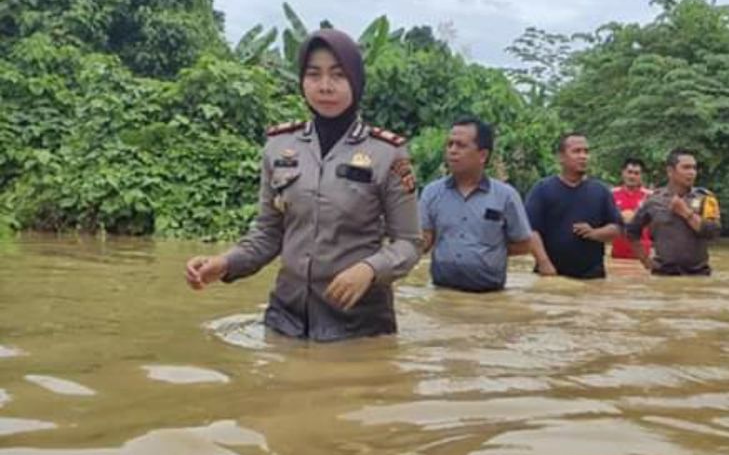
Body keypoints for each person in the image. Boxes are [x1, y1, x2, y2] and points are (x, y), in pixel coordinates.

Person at [184, 28, 421, 341]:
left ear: (356, 80)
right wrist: (225, 263)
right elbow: (269, 233)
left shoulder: (387, 152)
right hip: (286, 316)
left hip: (359, 323)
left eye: (338, 75)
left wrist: (370, 269)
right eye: (314, 74)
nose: (325, 86)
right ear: (302, 81)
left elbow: (409, 242)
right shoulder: (278, 146)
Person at [419, 117, 533, 292]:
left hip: (489, 299)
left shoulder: (506, 196)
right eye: (450, 144)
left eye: (461, 145)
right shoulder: (431, 192)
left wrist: (490, 253)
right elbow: (425, 240)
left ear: (483, 155)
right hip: (442, 296)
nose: (452, 151)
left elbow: (524, 244)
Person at [524, 133, 623, 279]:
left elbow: (617, 228)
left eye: (586, 151)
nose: (583, 156)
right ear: (561, 157)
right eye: (576, 151)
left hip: (592, 277)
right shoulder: (542, 189)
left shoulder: (601, 191)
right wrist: (544, 263)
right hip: (550, 274)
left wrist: (594, 233)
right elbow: (530, 230)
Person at [627, 149, 721, 276]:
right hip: (663, 274)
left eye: (694, 168)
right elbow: (632, 232)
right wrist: (645, 259)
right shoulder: (654, 200)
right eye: (686, 168)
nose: (692, 172)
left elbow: (713, 232)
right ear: (670, 171)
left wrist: (686, 213)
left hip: (698, 276)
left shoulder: (705, 198)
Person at [610, 157, 653, 261]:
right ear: (623, 173)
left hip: (642, 256)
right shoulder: (611, 194)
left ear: (641, 176)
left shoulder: (650, 197)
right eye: (629, 172)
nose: (632, 176)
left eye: (636, 173)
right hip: (618, 255)